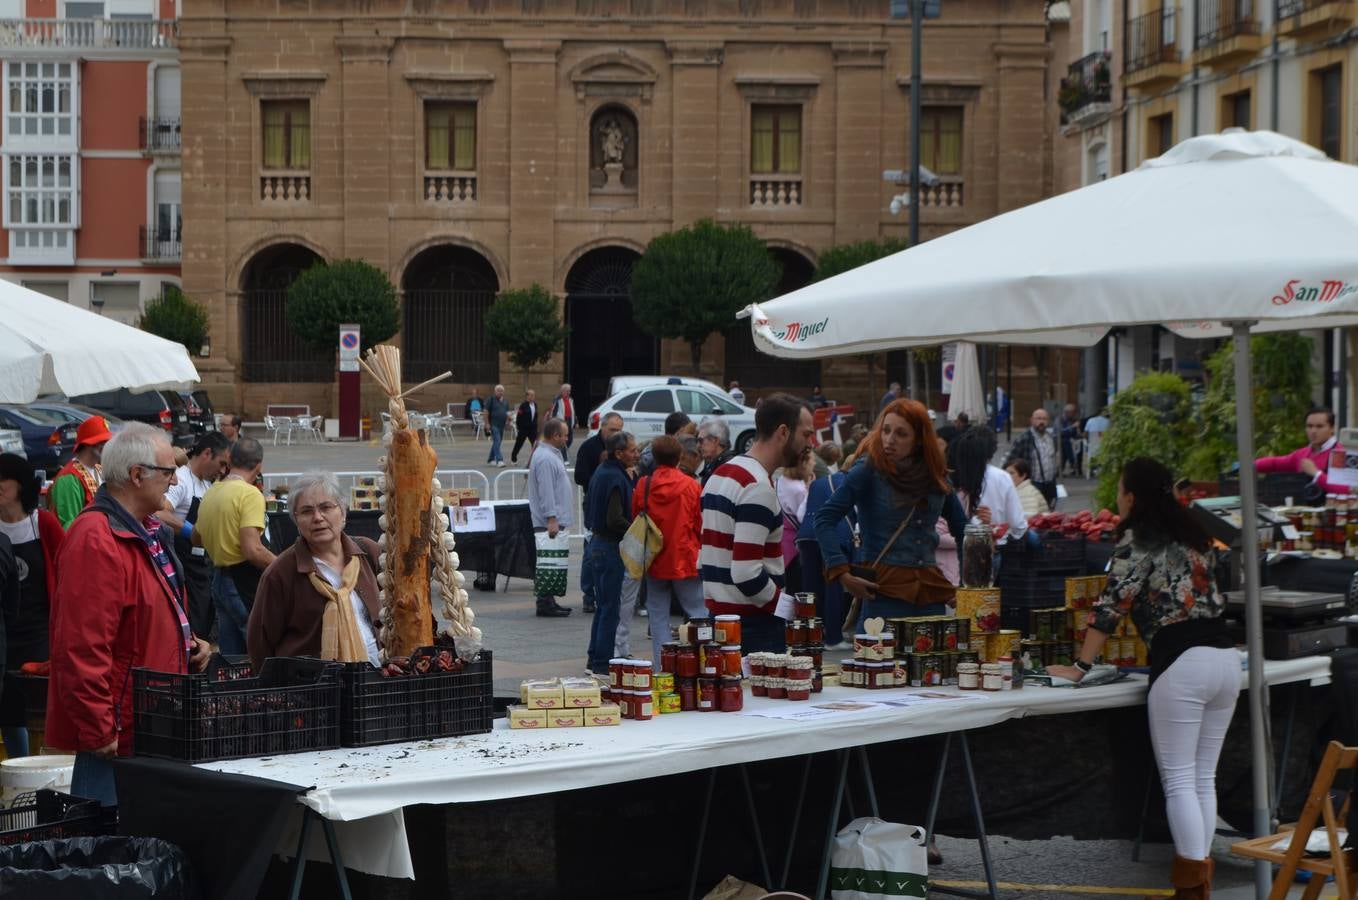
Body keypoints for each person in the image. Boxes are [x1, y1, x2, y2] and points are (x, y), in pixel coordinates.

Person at [1047, 458, 1237, 900]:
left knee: (1179, 781)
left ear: (1131, 497)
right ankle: (1200, 881)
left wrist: (1080, 667)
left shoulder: (1138, 543)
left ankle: (1192, 889)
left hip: (1183, 663)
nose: (1116, 498)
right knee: (1202, 778)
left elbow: (1111, 608)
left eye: (1119, 490)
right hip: (1225, 659)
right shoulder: (1195, 536)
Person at [46, 423, 211, 805]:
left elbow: (146, 619)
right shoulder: (95, 538)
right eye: (169, 472)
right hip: (120, 738)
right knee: (112, 855)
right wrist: (101, 730)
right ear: (137, 475)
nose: (174, 482)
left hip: (154, 725)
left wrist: (189, 644)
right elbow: (81, 647)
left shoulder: (150, 530)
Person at [814, 398, 966, 628]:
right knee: (881, 662)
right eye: (886, 430)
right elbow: (824, 518)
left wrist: (966, 585)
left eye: (901, 434)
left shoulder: (935, 476)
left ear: (918, 440)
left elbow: (964, 529)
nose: (889, 440)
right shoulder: (869, 469)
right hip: (882, 593)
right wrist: (842, 572)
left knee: (930, 663)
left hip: (930, 592)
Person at [701, 394, 815, 654]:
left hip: (721, 617)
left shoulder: (720, 474)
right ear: (783, 432)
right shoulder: (756, 486)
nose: (810, 444)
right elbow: (746, 573)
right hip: (753, 624)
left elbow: (706, 557)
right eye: (806, 435)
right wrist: (785, 608)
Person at [247, 472, 381, 671]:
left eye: (326, 507)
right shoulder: (280, 573)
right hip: (314, 693)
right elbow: (260, 644)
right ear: (296, 520)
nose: (318, 517)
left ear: (343, 512)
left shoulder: (368, 552)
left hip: (375, 680)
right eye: (307, 511)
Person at [0, 454, 63, 758]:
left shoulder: (43, 523)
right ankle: (18, 768)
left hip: (40, 630)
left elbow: (66, 567)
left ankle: (45, 768)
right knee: (9, 710)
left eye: (4, 478)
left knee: (41, 707)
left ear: (21, 485)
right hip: (5, 632)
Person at [196, 438, 275, 655]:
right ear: (259, 465)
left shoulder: (212, 491)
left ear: (229, 459)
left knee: (232, 659)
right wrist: (282, 566)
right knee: (260, 652)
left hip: (219, 580)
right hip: (243, 582)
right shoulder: (250, 494)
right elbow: (253, 550)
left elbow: (196, 537)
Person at [633, 435, 704, 668]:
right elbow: (698, 523)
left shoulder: (644, 484)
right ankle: (702, 661)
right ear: (680, 457)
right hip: (684, 556)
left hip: (654, 557)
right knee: (698, 613)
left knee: (658, 616)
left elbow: (636, 518)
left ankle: (662, 668)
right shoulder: (691, 485)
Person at [157, 432, 231, 639]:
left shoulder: (207, 484)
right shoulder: (180, 479)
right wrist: (192, 531)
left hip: (203, 565)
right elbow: (159, 513)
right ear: (207, 454)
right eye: (221, 463)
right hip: (183, 564)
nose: (222, 470)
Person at [585, 430, 638, 674]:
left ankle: (595, 658)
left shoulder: (603, 471)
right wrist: (638, 531)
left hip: (597, 544)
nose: (635, 454)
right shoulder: (614, 476)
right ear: (619, 453)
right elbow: (615, 518)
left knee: (603, 606)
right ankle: (601, 663)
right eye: (632, 450)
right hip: (608, 547)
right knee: (610, 609)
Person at [797, 461, 852, 650]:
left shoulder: (818, 483)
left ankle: (810, 636)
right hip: (833, 535)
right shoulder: (852, 482)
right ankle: (834, 638)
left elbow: (801, 511)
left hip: (805, 535)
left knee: (811, 589)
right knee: (833, 586)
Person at [575, 413, 624, 614]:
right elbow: (579, 476)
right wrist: (600, 479)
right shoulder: (589, 447)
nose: (616, 433)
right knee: (590, 549)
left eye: (619, 429)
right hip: (594, 502)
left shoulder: (620, 447)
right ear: (602, 428)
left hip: (614, 502)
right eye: (613, 429)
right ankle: (589, 594)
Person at [949, 425, 1028, 543]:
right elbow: (1018, 524)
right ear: (993, 450)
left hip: (958, 546)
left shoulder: (954, 476)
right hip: (992, 545)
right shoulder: (1002, 477)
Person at [528, 418, 574, 618]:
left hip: (553, 518)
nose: (567, 438)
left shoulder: (549, 454)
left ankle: (549, 600)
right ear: (555, 436)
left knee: (552, 561)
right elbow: (546, 491)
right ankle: (544, 602)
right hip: (549, 520)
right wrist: (551, 518)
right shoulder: (546, 458)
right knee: (547, 561)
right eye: (564, 434)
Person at [1256, 407, 1347, 493]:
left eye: (1319, 426)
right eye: (1309, 426)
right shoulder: (1302, 454)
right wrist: (1245, 466)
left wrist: (1315, 473)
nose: (1313, 431)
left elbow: (1345, 489)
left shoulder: (1340, 453)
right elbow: (1274, 463)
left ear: (1332, 429)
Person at [50, 415, 113, 528]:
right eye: (103, 441)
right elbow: (70, 525)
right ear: (88, 444)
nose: (107, 446)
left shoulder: (99, 469)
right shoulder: (69, 477)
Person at [1003, 407, 1060, 509]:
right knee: (1034, 511)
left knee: (1049, 513)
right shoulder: (1024, 438)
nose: (1041, 421)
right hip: (1033, 482)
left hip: (1050, 483)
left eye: (1044, 419)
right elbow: (1009, 462)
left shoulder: (1051, 438)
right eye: (1038, 418)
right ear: (1032, 420)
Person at [776, 450, 815, 596]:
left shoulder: (780, 481)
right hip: (795, 548)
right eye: (812, 460)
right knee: (797, 591)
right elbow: (802, 517)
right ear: (803, 463)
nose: (814, 463)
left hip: (782, 543)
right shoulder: (798, 488)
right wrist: (810, 491)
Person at [697, 417, 735, 486]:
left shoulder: (727, 468)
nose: (698, 445)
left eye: (700, 440)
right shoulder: (712, 461)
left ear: (716, 441)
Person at [549, 383, 577, 462]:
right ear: (563, 391)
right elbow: (553, 411)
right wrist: (553, 421)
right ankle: (564, 459)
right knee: (564, 439)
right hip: (561, 421)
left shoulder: (571, 399)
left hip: (570, 420)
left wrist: (576, 421)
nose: (569, 392)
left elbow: (573, 410)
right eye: (567, 391)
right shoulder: (557, 400)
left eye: (569, 391)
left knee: (570, 439)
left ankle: (559, 451)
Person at [511, 389, 539, 464]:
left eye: (534, 395)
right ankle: (513, 458)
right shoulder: (523, 405)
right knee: (519, 444)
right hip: (523, 429)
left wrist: (535, 426)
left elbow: (535, 416)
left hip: (532, 429)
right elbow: (518, 417)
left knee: (535, 444)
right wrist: (519, 427)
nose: (533, 397)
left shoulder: (535, 405)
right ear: (527, 396)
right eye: (531, 395)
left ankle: (535, 459)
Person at [484, 384, 510, 468]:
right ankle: (500, 460)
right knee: (497, 440)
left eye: (501, 391)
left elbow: (506, 413)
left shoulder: (505, 402)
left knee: (497, 442)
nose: (500, 392)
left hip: (502, 425)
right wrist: (487, 423)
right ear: (495, 392)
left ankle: (491, 459)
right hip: (493, 424)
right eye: (498, 390)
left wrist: (508, 420)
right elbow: (486, 412)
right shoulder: (490, 400)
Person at [1058, 404, 1083, 477]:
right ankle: (1073, 464)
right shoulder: (1060, 419)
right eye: (1072, 412)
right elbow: (1060, 432)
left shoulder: (1074, 419)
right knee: (1066, 443)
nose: (1074, 414)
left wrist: (1079, 433)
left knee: (1079, 444)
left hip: (1072, 440)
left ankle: (1077, 467)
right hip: (1060, 439)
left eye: (1074, 412)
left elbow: (1076, 433)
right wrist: (1072, 426)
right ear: (1067, 412)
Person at [1084, 406, 1111, 474]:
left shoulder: (1090, 420)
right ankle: (1102, 469)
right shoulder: (1109, 422)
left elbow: (1085, 435)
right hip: (1104, 447)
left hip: (1092, 447)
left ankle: (1093, 469)